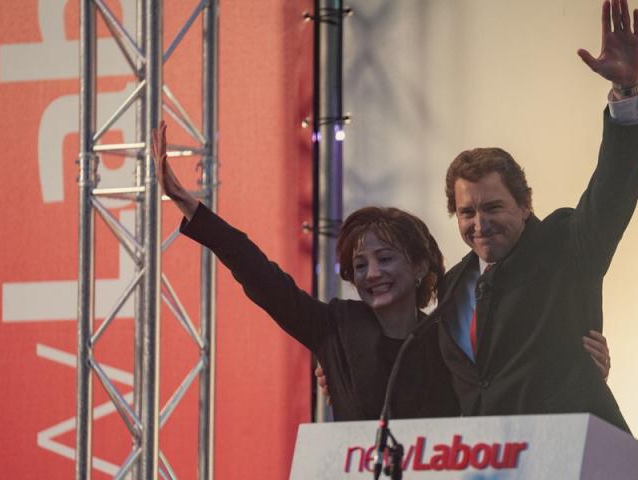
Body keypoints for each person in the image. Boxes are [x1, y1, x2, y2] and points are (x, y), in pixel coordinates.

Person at [152, 122, 458, 421]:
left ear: (419, 265)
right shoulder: (335, 327)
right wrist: (183, 199)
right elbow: (260, 276)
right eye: (360, 265)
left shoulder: (448, 339)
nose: (373, 273)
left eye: (385, 259)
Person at [436, 0, 638, 433]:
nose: (480, 224)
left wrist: (626, 94)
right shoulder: (453, 284)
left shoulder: (566, 245)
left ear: (525, 203)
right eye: (467, 212)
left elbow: (613, 191)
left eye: (493, 207)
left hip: (573, 452)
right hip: (490, 463)